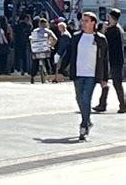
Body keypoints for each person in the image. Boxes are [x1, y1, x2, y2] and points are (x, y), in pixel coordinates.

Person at [58, 12, 109, 141]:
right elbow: (68, 54)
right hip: (78, 73)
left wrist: (104, 79)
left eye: (86, 21)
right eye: (82, 21)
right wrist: (60, 70)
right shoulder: (76, 37)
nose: (83, 23)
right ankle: (87, 120)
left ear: (93, 23)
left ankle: (83, 126)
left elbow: (104, 60)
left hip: (91, 75)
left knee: (86, 99)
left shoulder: (100, 39)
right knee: (79, 99)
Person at [93, 9, 125, 114]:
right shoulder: (117, 29)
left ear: (111, 17)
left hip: (114, 60)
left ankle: (123, 104)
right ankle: (102, 104)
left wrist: (103, 31)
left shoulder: (114, 30)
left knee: (116, 82)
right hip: (112, 59)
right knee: (105, 81)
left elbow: (104, 42)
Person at [29, 18, 57, 84]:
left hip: (36, 49)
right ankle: (49, 74)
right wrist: (51, 45)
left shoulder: (35, 31)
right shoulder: (48, 31)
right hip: (45, 49)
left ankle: (32, 76)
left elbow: (32, 39)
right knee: (47, 61)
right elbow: (55, 39)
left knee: (35, 63)